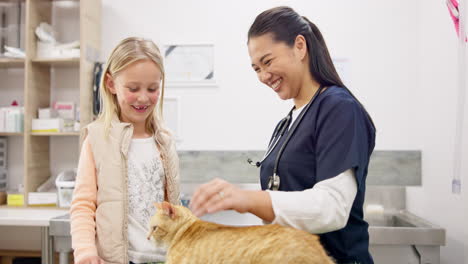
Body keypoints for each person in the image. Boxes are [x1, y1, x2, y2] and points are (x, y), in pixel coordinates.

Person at [189, 6, 376, 264]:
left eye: (267, 61)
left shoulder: (339, 108)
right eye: (256, 68)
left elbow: (331, 208)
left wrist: (246, 198)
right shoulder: (286, 124)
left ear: (300, 46)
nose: (264, 76)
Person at [70, 37, 180, 264]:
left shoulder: (165, 141)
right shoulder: (97, 139)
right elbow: (83, 204)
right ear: (111, 84)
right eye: (133, 88)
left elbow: (173, 207)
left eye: (152, 88)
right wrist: (85, 252)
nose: (143, 97)